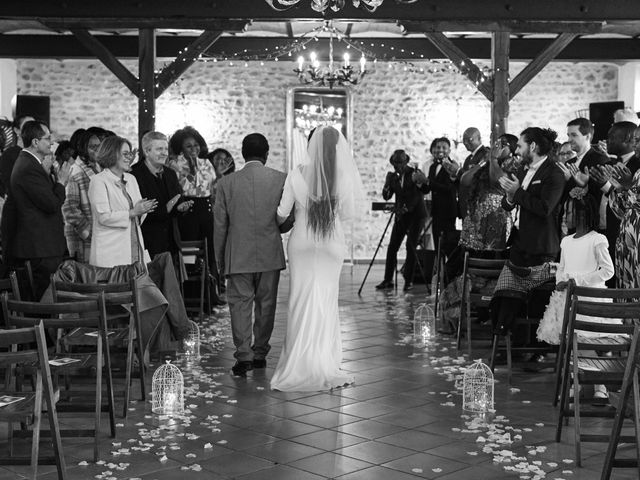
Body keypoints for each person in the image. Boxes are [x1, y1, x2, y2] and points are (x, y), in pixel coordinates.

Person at [270, 126, 365, 391]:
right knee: (325, 300)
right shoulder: (344, 177)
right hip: (331, 244)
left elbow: (281, 212)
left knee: (300, 300)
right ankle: (324, 361)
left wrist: (287, 219)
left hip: (301, 242)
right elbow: (347, 214)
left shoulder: (296, 174)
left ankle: (298, 363)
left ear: (310, 145)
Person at [213, 133, 287, 377]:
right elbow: (286, 221)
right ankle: (260, 353)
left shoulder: (225, 183)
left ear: (243, 154)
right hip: (269, 253)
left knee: (239, 305)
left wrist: (220, 260)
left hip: (238, 254)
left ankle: (243, 355)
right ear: (266, 154)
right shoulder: (280, 180)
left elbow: (220, 226)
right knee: (266, 304)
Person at [537, 193, 616, 399]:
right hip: (569, 299)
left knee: (597, 341)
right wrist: (561, 281)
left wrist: (577, 281)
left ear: (581, 214)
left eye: (569, 211)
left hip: (591, 297)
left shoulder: (597, 239)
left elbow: (608, 271)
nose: (565, 215)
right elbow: (562, 269)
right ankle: (575, 382)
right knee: (572, 342)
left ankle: (601, 386)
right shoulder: (566, 241)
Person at [492, 127, 566, 335]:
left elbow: (545, 208)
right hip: (520, 243)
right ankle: (508, 339)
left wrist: (517, 193)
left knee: (537, 302)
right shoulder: (523, 170)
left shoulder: (554, 173)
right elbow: (509, 204)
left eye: (520, 146)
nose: (517, 150)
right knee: (507, 296)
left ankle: (536, 349)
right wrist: (508, 196)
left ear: (532, 146)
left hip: (541, 245)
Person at [8, 120, 66, 299]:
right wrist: (61, 182)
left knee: (47, 300)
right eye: (47, 138)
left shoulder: (31, 164)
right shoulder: (28, 167)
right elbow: (51, 204)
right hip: (40, 248)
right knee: (42, 302)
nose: (51, 142)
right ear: (35, 142)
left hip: (43, 246)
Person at [168, 126, 223, 306]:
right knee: (190, 254)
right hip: (188, 210)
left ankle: (210, 295)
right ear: (180, 148)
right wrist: (188, 170)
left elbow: (209, 186)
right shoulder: (174, 164)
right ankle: (189, 296)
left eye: (195, 145)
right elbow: (184, 187)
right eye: (188, 147)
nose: (193, 149)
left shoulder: (206, 163)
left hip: (205, 209)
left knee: (209, 251)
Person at [88, 135, 157, 268]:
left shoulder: (131, 179)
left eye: (130, 154)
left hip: (133, 243)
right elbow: (104, 217)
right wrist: (132, 212)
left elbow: (138, 213)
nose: (129, 158)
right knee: (115, 287)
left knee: (136, 286)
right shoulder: (98, 181)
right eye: (125, 154)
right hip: (110, 250)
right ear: (112, 154)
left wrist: (143, 210)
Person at [131, 131, 192, 258]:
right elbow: (138, 213)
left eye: (165, 149)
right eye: (159, 149)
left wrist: (180, 208)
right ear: (147, 151)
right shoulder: (134, 175)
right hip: (146, 242)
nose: (165, 153)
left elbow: (176, 200)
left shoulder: (170, 173)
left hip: (170, 242)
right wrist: (166, 209)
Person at [375, 150, 429, 292]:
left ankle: (409, 281)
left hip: (416, 215)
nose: (397, 166)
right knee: (392, 246)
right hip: (401, 215)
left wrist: (406, 208)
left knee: (410, 246)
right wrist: (387, 184)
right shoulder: (393, 177)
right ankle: (388, 280)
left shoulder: (414, 173)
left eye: (400, 163)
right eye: (395, 164)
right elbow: (387, 196)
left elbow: (419, 194)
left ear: (406, 162)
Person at [557, 117, 609, 235]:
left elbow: (599, 195)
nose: (569, 139)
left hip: (589, 225)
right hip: (568, 223)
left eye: (574, 135)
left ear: (587, 136)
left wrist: (576, 182)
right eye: (568, 135)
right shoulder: (569, 163)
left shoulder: (600, 160)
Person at [62, 131, 101, 263]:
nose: (97, 150)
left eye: (99, 146)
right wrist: (87, 231)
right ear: (83, 148)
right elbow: (69, 208)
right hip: (82, 236)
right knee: (86, 276)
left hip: (99, 234)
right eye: (92, 146)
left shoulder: (98, 168)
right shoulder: (76, 171)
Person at [423, 137, 458, 254]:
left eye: (444, 147)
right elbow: (428, 188)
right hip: (436, 210)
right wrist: (420, 183)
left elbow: (448, 188)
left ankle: (450, 271)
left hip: (448, 210)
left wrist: (428, 182)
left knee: (449, 244)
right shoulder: (432, 166)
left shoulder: (453, 165)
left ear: (449, 150)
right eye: (438, 147)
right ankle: (438, 271)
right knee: (437, 244)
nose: (440, 150)